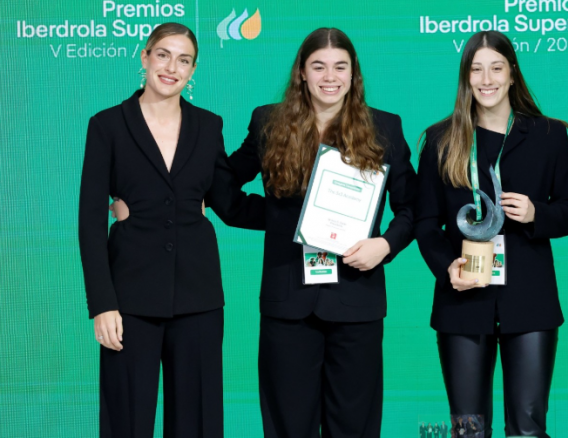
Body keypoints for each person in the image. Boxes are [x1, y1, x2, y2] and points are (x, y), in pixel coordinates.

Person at [227, 27, 417, 438]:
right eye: (319, 66)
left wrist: (384, 245)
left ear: (354, 75)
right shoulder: (269, 122)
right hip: (288, 300)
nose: (330, 77)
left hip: (357, 298)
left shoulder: (384, 127)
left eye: (340, 67)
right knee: (287, 426)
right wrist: (283, 222)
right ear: (301, 73)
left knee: (354, 426)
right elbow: (224, 187)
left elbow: (413, 207)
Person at [78, 22, 265, 437]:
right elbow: (90, 219)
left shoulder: (208, 125)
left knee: (197, 422)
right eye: (163, 54)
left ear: (193, 70)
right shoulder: (107, 125)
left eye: (184, 60)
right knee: (126, 419)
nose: (171, 67)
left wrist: (299, 217)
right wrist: (102, 304)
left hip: (198, 297)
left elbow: (230, 205)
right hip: (128, 298)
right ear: (144, 57)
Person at [416, 31, 568, 438]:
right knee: (468, 429)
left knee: (527, 428)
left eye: (496, 68)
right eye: (476, 69)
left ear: (512, 75)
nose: (486, 79)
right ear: (465, 78)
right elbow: (424, 223)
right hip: (463, 301)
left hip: (530, 303)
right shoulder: (440, 140)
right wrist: (446, 268)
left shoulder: (548, 135)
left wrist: (534, 213)